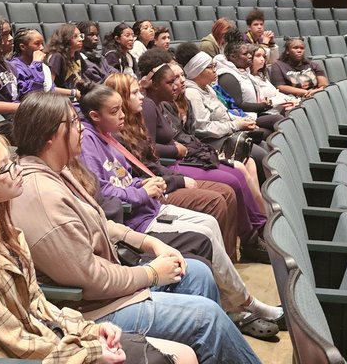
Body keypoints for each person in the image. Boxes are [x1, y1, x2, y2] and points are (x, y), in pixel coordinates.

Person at [8, 93, 263, 363]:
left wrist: (148, 243)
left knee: (197, 272)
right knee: (206, 318)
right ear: (50, 136)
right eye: (72, 122)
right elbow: (91, 280)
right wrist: (151, 273)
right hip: (97, 311)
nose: (81, 127)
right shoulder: (42, 197)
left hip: (111, 288)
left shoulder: (58, 172)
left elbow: (98, 222)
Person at [0, 134, 195, 364]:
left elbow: (38, 306)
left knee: (184, 351)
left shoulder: (4, 231)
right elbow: (8, 343)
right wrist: (88, 352)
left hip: (54, 342)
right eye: (5, 168)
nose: (17, 170)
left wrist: (89, 331)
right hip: (36, 356)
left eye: (13, 161)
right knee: (182, 353)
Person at [78, 85, 282, 341]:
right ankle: (244, 305)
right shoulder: (88, 141)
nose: (122, 115)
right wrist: (142, 191)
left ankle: (238, 303)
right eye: (115, 110)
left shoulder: (107, 136)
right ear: (95, 115)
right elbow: (104, 192)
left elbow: (124, 179)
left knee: (209, 222)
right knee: (206, 230)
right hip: (137, 218)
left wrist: (145, 185)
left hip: (148, 204)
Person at [136, 48, 269, 262]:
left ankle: (257, 231)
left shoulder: (163, 102)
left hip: (186, 154)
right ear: (156, 81)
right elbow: (149, 151)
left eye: (179, 77)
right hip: (171, 165)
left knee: (239, 171)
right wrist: (178, 150)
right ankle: (250, 239)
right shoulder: (150, 105)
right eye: (172, 80)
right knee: (233, 180)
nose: (179, 83)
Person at [101, 73, 239, 258]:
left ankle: (227, 259)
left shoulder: (136, 121)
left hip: (162, 179)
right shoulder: (117, 135)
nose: (142, 96)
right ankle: (220, 264)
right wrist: (178, 180)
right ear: (122, 98)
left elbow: (152, 163)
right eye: (135, 93)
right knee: (216, 201)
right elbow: (142, 174)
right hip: (156, 190)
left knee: (228, 192)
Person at [176, 44, 272, 184]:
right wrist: (237, 125)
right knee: (261, 156)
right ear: (198, 72)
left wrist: (244, 120)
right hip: (211, 140)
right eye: (210, 67)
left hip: (226, 132)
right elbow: (203, 129)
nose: (215, 70)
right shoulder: (193, 94)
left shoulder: (208, 88)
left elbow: (224, 113)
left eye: (214, 66)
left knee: (264, 145)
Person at [213, 30, 284, 128]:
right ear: (233, 56)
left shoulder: (243, 71)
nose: (250, 56)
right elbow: (238, 105)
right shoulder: (227, 76)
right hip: (241, 118)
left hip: (254, 113)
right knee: (279, 120)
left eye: (249, 53)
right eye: (245, 54)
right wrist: (265, 105)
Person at [44, 23, 92, 99]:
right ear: (65, 39)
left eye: (80, 36)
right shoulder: (57, 57)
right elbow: (49, 88)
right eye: (75, 36)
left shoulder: (77, 54)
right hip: (60, 100)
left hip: (75, 97)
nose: (80, 39)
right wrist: (74, 93)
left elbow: (82, 78)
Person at [9, 27, 57, 100]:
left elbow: (51, 91)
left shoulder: (43, 66)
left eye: (42, 43)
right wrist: (36, 65)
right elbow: (30, 96)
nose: (41, 48)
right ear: (23, 47)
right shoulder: (14, 67)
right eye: (37, 44)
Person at [76, 20, 116, 85]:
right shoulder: (83, 63)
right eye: (91, 35)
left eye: (96, 35)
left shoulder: (99, 57)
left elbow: (112, 70)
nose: (96, 38)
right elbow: (100, 86)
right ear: (81, 37)